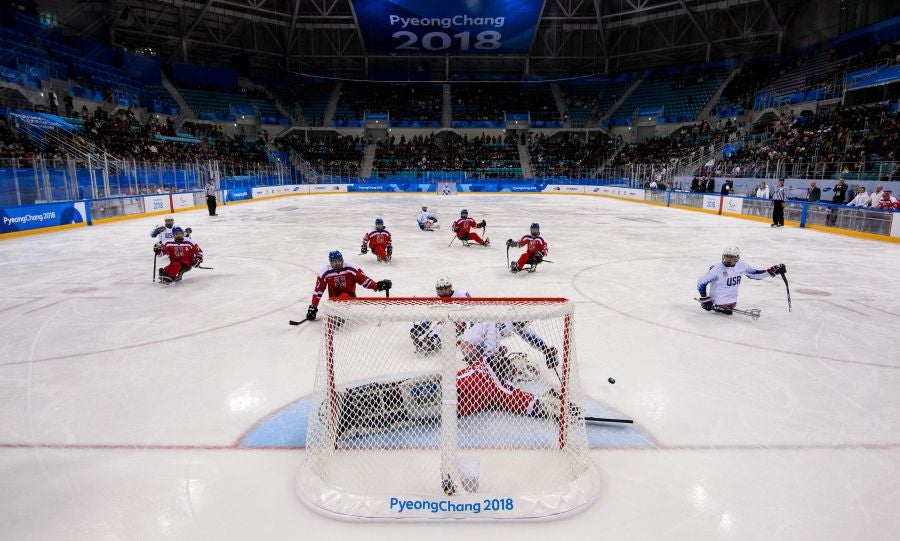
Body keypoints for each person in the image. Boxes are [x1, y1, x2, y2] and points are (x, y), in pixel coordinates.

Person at [696, 246, 786, 315]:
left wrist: (771, 271)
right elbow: (701, 283)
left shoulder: (741, 265)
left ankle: (726, 304)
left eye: (731, 257)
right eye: (727, 256)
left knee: (731, 303)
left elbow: (755, 274)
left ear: (737, 258)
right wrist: (705, 299)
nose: (728, 259)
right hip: (717, 301)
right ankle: (720, 304)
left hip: (733, 301)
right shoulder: (716, 268)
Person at [306, 250, 392, 321]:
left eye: (339, 261)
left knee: (344, 296)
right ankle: (338, 314)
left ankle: (339, 315)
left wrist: (377, 286)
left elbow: (364, 280)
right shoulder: (325, 272)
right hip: (334, 299)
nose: (337, 263)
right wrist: (313, 306)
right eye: (335, 261)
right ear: (330, 262)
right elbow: (318, 291)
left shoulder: (350, 268)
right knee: (336, 304)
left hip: (349, 295)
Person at [409, 276, 472, 354]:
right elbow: (429, 314)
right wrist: (421, 327)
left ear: (450, 287)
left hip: (460, 322)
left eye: (446, 288)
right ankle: (431, 340)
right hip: (444, 321)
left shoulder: (461, 294)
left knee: (447, 327)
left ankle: (433, 341)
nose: (443, 291)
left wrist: (470, 326)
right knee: (439, 327)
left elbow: (472, 310)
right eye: (440, 289)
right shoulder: (434, 298)